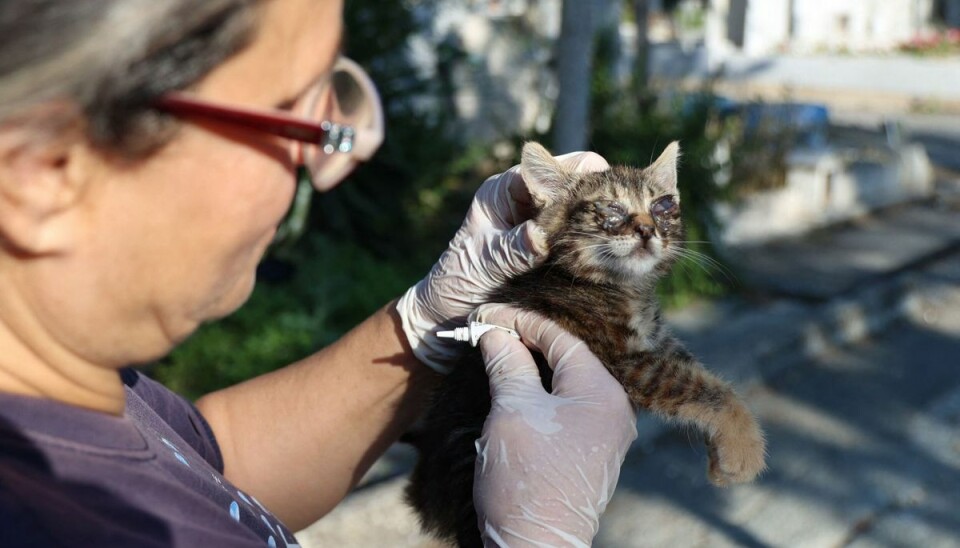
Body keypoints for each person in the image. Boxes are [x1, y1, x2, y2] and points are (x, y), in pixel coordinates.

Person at [0, 0, 637, 546]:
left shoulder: (71, 396)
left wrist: (428, 321)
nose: (336, 157)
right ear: (45, 171)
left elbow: (213, 466)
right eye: (298, 117)